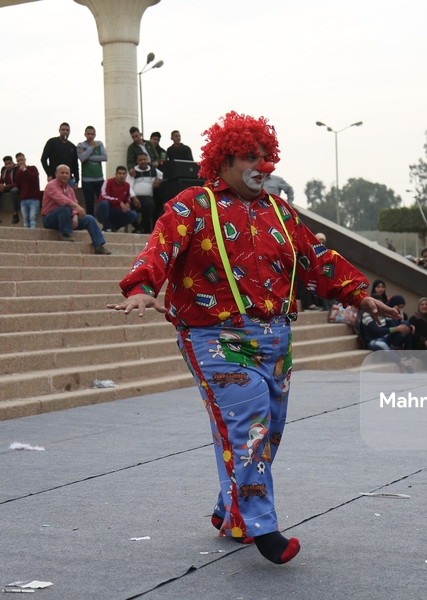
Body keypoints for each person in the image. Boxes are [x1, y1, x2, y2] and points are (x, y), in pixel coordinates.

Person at [108, 111, 398, 565]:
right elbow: (160, 245)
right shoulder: (194, 204)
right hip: (215, 336)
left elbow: (316, 258)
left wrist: (358, 295)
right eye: (250, 156)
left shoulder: (281, 212)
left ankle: (231, 511)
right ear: (222, 161)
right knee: (250, 421)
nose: (261, 166)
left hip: (275, 339)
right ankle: (263, 528)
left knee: (269, 431)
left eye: (266, 157)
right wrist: (143, 288)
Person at [41, 164, 110, 254]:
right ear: (56, 174)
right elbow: (62, 200)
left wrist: (75, 216)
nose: (65, 175)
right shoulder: (51, 185)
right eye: (62, 173)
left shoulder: (70, 189)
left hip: (66, 218)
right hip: (49, 219)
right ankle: (64, 233)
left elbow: (74, 203)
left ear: (70, 175)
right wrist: (77, 207)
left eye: (67, 173)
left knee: (89, 218)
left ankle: (99, 245)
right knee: (65, 207)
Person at [95, 165, 138, 233]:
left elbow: (127, 197)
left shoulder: (127, 185)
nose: (121, 175)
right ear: (116, 174)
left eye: (123, 174)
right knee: (104, 203)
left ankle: (113, 228)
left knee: (133, 215)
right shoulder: (108, 182)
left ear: (126, 175)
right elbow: (103, 196)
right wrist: (119, 202)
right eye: (119, 173)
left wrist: (127, 203)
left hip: (117, 211)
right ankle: (107, 227)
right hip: (105, 210)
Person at [126, 153, 161, 233]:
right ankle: (138, 228)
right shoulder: (133, 172)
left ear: (147, 160)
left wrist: (158, 179)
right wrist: (134, 198)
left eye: (144, 159)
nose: (143, 161)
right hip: (134, 197)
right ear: (137, 161)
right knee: (127, 209)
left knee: (151, 205)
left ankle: (140, 228)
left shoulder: (153, 170)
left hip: (147, 197)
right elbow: (128, 186)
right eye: (140, 160)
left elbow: (162, 175)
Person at [77, 126, 107, 215]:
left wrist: (89, 157)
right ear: (85, 134)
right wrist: (92, 147)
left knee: (103, 202)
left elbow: (105, 157)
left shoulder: (100, 144)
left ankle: (106, 225)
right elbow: (82, 158)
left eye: (92, 134)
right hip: (87, 180)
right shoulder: (80, 145)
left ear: (95, 135)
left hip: (99, 178)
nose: (90, 136)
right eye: (88, 134)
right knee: (89, 204)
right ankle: (90, 224)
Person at [41, 123, 79, 187]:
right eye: (63, 130)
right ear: (59, 131)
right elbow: (43, 159)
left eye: (67, 130)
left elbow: (75, 164)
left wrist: (77, 180)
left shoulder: (72, 146)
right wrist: (49, 174)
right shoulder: (52, 142)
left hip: (69, 180)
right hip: (54, 178)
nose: (65, 132)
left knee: (69, 197)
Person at [14, 153, 41, 229]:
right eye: (18, 161)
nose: (20, 162)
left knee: (32, 218)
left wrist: (25, 170)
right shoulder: (18, 173)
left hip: (34, 198)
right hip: (24, 199)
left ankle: (33, 236)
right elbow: (18, 185)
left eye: (22, 160)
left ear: (25, 160)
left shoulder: (33, 168)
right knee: (25, 220)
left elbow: (34, 178)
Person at [0, 155, 19, 226]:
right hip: (7, 187)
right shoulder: (4, 170)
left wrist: (8, 186)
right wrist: (1, 186)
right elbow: (1, 181)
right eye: (6, 164)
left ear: (13, 163)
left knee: (14, 191)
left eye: (9, 163)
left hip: (16, 186)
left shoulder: (17, 169)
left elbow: (19, 183)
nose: (8, 166)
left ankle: (15, 213)